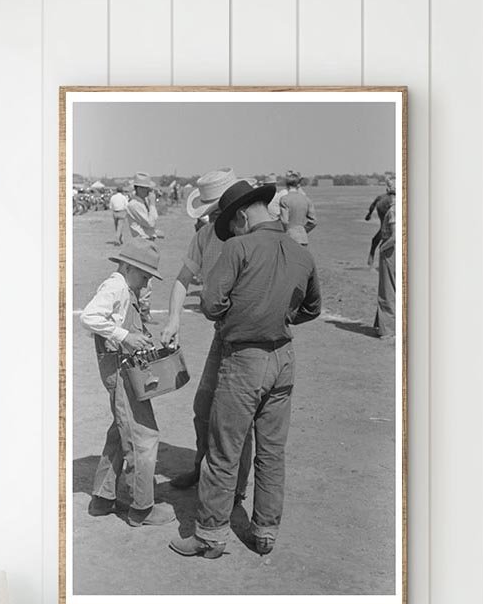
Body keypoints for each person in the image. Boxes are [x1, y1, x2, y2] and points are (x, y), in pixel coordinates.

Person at [169, 180, 321, 560]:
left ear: (240, 216)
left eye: (230, 224)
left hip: (243, 361)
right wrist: (279, 316)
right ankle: (265, 531)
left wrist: (244, 316)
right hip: (283, 360)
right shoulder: (301, 251)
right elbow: (313, 308)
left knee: (224, 451)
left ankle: (210, 536)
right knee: (271, 451)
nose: (230, 231)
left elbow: (210, 304)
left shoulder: (239, 247)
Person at [160, 168, 253, 498]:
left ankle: (237, 488)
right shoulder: (205, 236)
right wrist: (173, 320)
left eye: (217, 208)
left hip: (248, 340)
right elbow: (183, 278)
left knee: (238, 417)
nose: (215, 215)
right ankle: (202, 467)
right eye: (213, 210)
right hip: (222, 333)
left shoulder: (251, 235)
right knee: (204, 407)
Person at [80, 239, 175, 527]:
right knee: (142, 435)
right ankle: (141, 507)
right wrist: (126, 337)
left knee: (122, 428)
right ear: (129, 267)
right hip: (120, 368)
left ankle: (102, 497)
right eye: (144, 276)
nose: (146, 283)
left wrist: (135, 335)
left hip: (119, 365)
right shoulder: (117, 286)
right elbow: (89, 316)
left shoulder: (124, 286)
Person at [374, 200, 397, 340]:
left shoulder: (394, 210)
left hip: (390, 250)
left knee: (387, 290)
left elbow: (394, 236)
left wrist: (382, 249)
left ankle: (387, 329)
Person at [278, 170, 317, 246]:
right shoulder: (306, 199)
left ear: (287, 185)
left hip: (290, 238)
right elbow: (313, 221)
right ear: (298, 185)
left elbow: (285, 221)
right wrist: (303, 230)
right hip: (303, 238)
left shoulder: (284, 199)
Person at [365, 179, 395, 266]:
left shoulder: (381, 198)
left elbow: (373, 204)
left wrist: (369, 214)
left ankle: (371, 258)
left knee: (383, 229)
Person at [126, 172, 160, 240]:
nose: (149, 191)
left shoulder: (144, 202)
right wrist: (152, 204)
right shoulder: (134, 204)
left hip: (147, 240)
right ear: (139, 189)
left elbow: (154, 218)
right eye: (147, 188)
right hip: (142, 241)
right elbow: (151, 223)